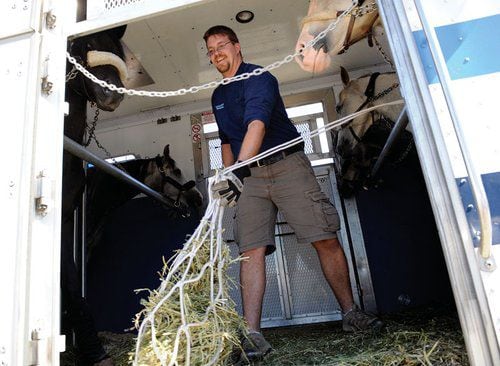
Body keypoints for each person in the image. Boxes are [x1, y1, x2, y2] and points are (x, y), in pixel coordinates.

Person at [203, 25, 383, 362]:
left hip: (287, 166)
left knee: (323, 236)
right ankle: (253, 335)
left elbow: (257, 124)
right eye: (210, 50)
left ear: (237, 47)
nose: (216, 54)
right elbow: (227, 141)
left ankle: (350, 315)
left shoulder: (259, 78)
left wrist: (237, 170)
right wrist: (229, 177)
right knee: (249, 250)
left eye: (222, 46)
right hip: (250, 177)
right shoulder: (218, 96)